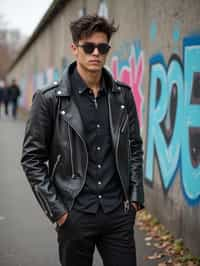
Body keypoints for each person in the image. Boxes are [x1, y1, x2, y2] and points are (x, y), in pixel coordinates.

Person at [21, 14, 144, 266]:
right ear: (75, 48)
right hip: (74, 215)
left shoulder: (122, 96)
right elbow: (31, 159)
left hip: (118, 214)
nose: (96, 53)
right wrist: (59, 212)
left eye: (102, 47)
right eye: (88, 47)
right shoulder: (49, 99)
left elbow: (134, 147)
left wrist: (135, 197)